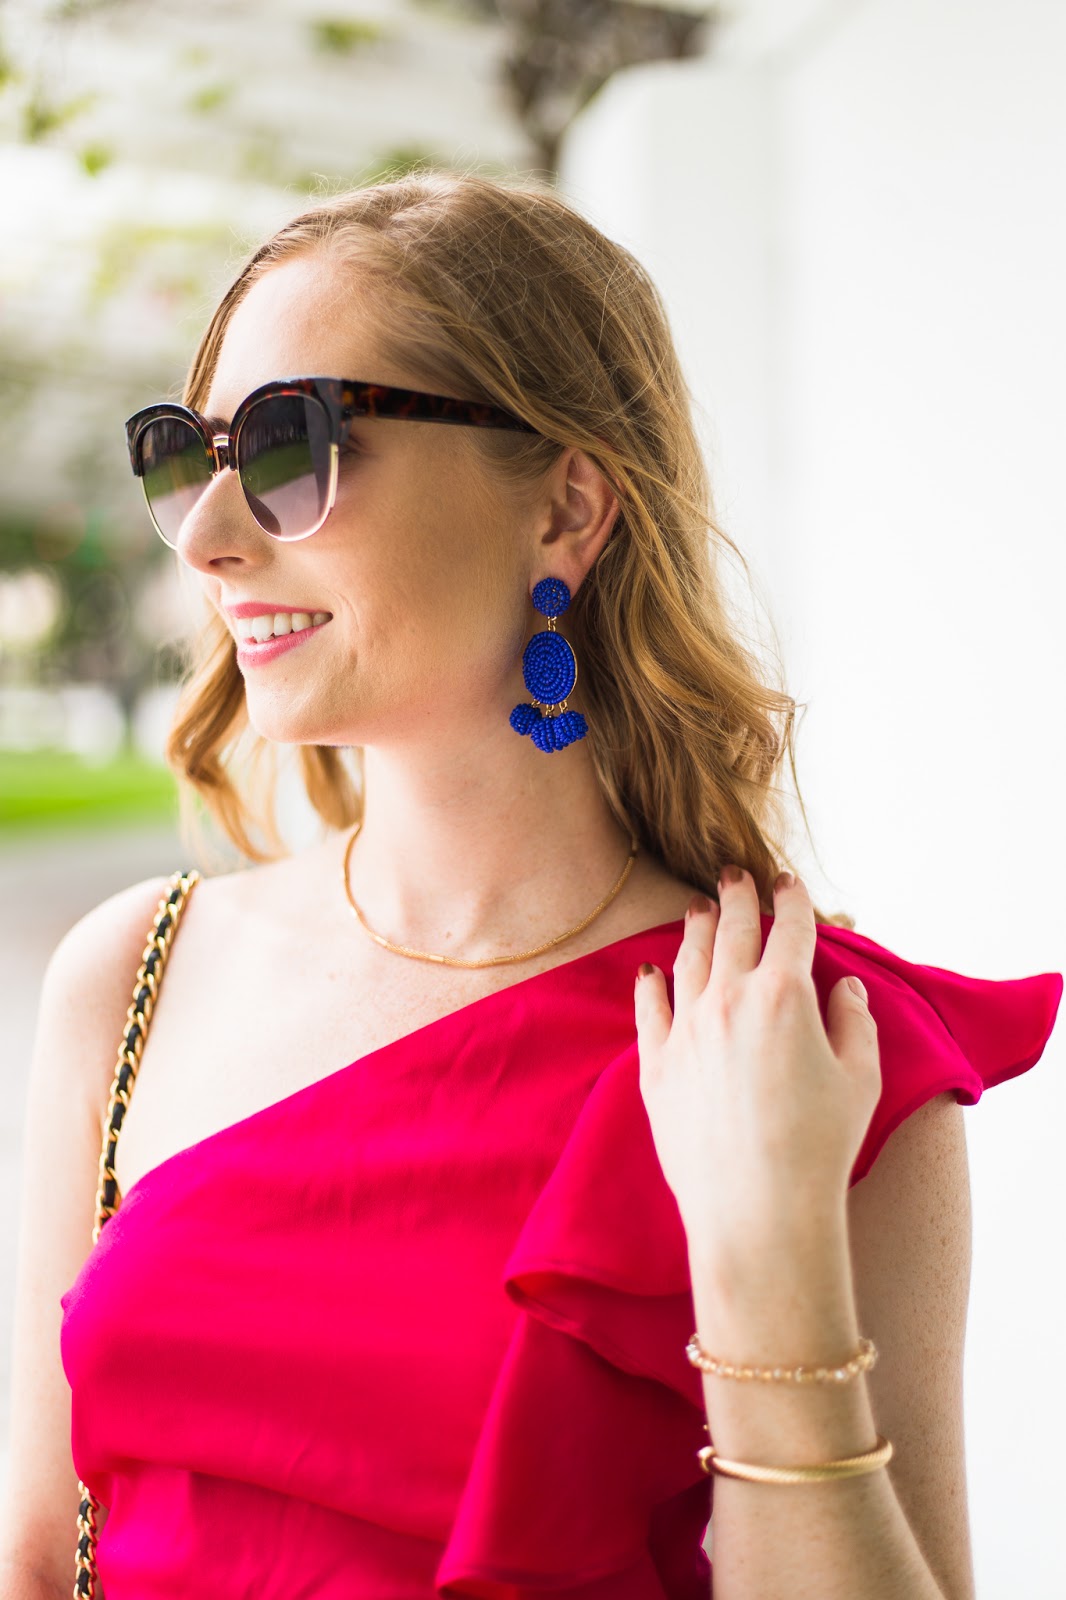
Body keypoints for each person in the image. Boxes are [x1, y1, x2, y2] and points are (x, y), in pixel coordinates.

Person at [3, 171, 1061, 1600]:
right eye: (186, 457)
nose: (203, 537)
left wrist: (767, 1270)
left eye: (292, 444)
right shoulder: (133, 974)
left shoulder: (808, 1047)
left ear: (567, 504)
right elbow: (36, 1556)